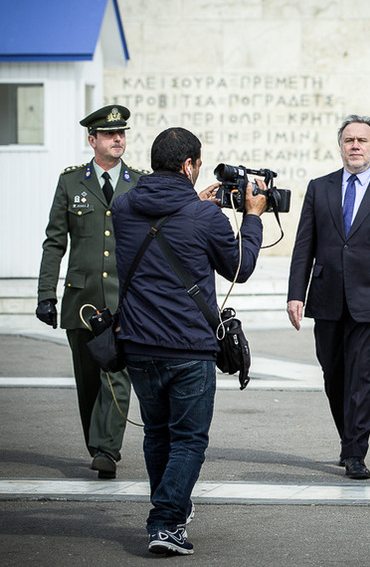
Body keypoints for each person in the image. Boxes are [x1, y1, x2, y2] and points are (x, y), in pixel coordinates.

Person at [112, 127, 267, 555]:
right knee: (189, 439)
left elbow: (164, 223)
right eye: (197, 165)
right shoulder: (204, 217)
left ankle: (170, 510)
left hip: (139, 346)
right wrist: (252, 215)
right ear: (188, 165)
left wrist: (194, 203)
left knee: (157, 435)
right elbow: (240, 267)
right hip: (188, 349)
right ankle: (165, 524)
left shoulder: (123, 205)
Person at [287, 115, 370, 480]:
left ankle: (356, 451)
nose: (355, 146)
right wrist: (296, 294)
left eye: (362, 140)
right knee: (333, 374)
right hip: (326, 297)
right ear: (340, 145)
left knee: (361, 377)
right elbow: (303, 245)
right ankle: (347, 438)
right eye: (349, 140)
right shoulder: (319, 187)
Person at [35, 104, 147, 479]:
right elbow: (54, 242)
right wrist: (45, 294)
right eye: (110, 134)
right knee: (87, 380)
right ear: (92, 140)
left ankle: (107, 449)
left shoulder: (139, 182)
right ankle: (96, 442)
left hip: (125, 301)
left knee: (116, 373)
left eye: (122, 133)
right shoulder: (71, 182)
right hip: (81, 298)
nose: (119, 139)